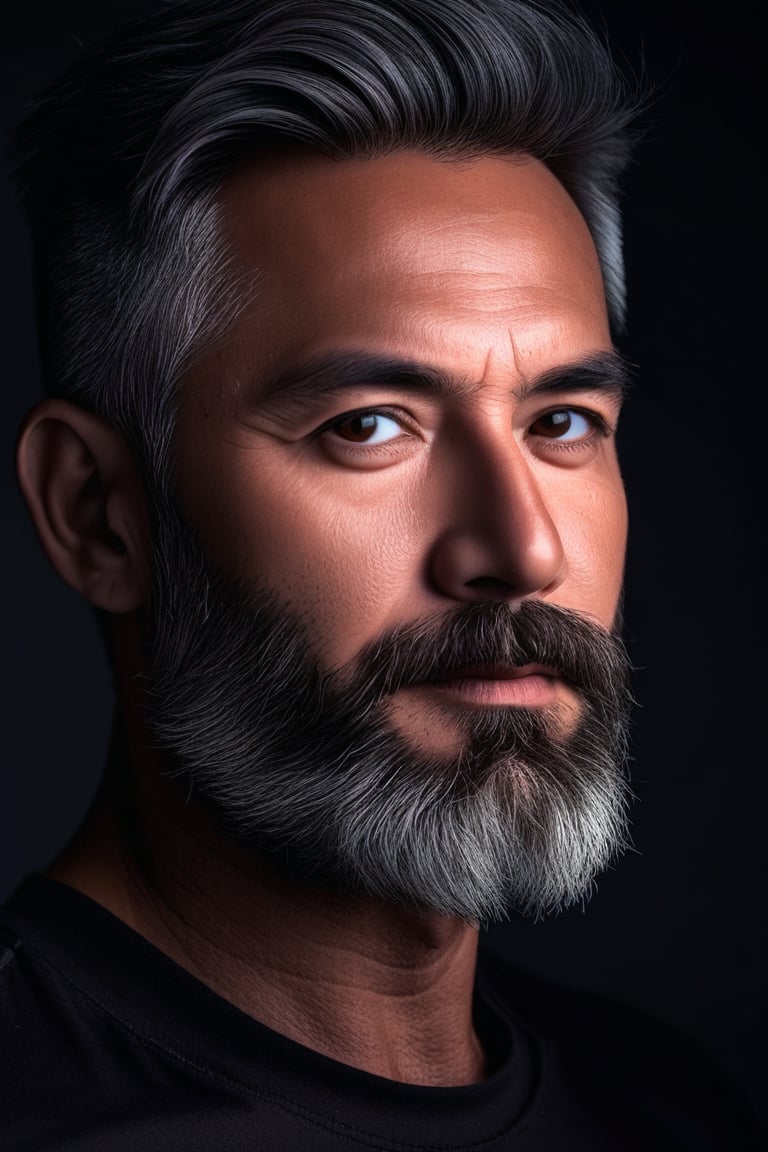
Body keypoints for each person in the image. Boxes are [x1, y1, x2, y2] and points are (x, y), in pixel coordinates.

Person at [0, 0, 761, 1148]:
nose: (521, 552)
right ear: (96, 514)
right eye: (369, 427)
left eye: (561, 419)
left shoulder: (669, 1108)